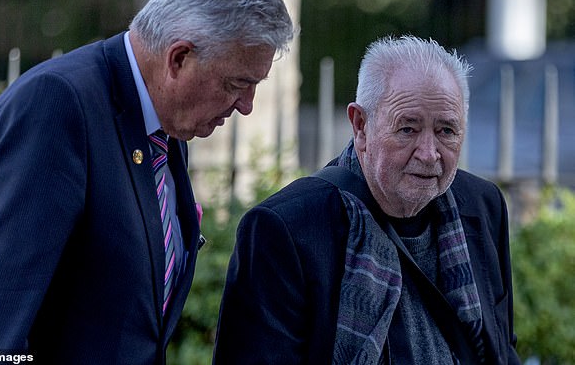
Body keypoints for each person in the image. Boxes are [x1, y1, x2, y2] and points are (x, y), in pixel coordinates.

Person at [0, 0, 293, 364]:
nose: (247, 106)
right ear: (178, 59)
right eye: (237, 83)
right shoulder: (58, 107)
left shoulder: (164, 120)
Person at [213, 36, 521, 364]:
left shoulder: (482, 205)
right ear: (360, 125)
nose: (429, 154)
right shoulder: (287, 229)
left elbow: (500, 348)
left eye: (446, 131)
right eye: (408, 129)